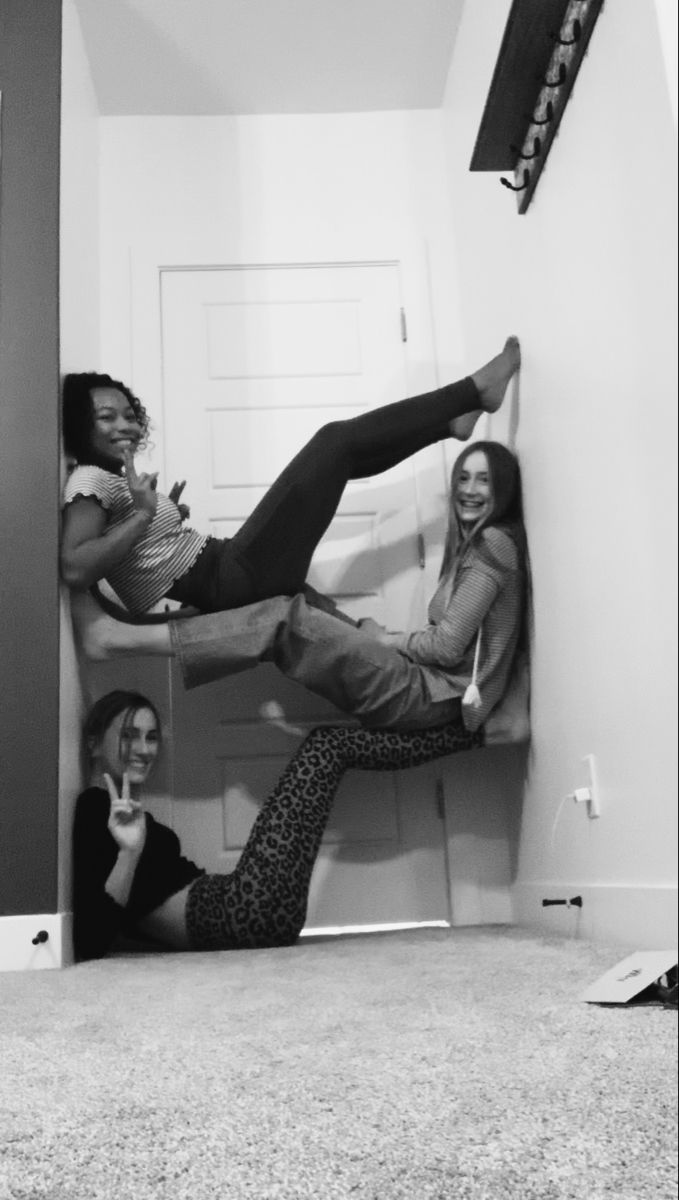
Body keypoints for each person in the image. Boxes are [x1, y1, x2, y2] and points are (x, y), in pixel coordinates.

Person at [72, 439, 530, 739]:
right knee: (296, 596)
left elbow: (449, 647)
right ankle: (133, 625)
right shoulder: (477, 546)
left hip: (427, 697)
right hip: (423, 681)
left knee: (281, 620)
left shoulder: (493, 544)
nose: (470, 490)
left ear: (504, 489)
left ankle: (116, 640)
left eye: (484, 480)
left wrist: (386, 640)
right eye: (464, 478)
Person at [60, 338, 520, 619]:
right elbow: (76, 567)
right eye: (107, 417)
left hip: (230, 568)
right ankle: (471, 391)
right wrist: (144, 517)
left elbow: (138, 556)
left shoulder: (110, 480)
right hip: (233, 575)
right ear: (83, 428)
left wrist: (167, 515)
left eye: (128, 414)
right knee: (334, 442)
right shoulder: (89, 480)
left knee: (340, 459)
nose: (126, 425)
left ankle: (450, 424)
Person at [73, 690, 483, 962]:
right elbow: (91, 937)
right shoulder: (94, 809)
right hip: (240, 911)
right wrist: (129, 851)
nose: (145, 749)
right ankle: (479, 730)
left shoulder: (119, 812)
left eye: (151, 737)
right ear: (93, 743)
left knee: (328, 751)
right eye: (129, 735)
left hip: (243, 911)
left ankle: (474, 727)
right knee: (327, 746)